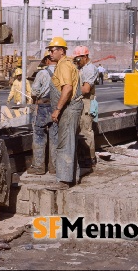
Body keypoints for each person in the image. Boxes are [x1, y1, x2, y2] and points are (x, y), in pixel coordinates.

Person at [48, 37, 83, 190]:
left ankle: (64, 180)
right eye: (49, 50)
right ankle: (72, 176)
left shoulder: (63, 65)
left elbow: (67, 88)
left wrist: (57, 109)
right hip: (72, 107)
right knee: (70, 142)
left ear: (61, 51)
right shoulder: (67, 64)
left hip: (69, 108)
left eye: (52, 50)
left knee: (64, 143)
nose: (50, 53)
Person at [27, 51, 58, 175]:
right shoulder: (62, 72)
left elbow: (34, 91)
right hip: (57, 107)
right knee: (55, 137)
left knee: (39, 135)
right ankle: (54, 167)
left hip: (43, 106)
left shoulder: (42, 73)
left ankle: (39, 167)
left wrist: (34, 104)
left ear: (47, 60)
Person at [73, 46, 98, 171]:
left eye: (78, 59)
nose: (77, 62)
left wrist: (72, 92)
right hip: (79, 103)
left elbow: (86, 89)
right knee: (80, 131)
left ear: (85, 57)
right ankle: (83, 157)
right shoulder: (81, 68)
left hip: (86, 103)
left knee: (86, 131)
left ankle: (90, 158)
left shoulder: (90, 69)